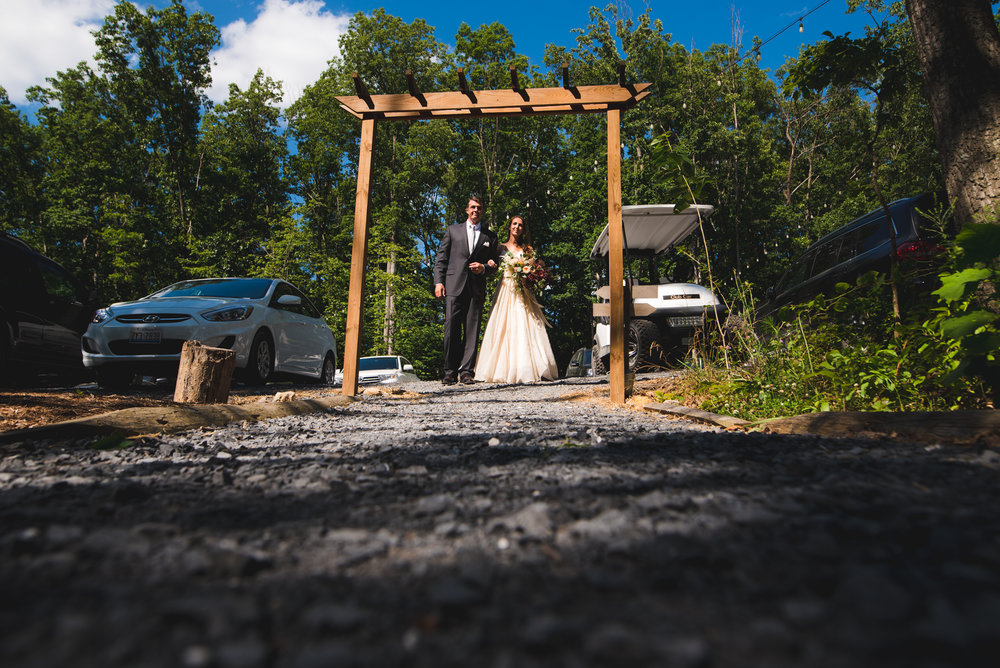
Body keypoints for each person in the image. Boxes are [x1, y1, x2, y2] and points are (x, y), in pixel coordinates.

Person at [474, 215, 558, 383]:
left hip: (523, 292)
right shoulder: (500, 248)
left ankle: (530, 368)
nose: (517, 227)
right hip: (505, 289)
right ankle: (501, 369)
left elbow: (533, 269)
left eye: (520, 225)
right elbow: (491, 263)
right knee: (503, 326)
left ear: (523, 229)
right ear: (509, 227)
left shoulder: (528, 249)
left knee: (526, 325)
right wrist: (489, 263)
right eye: (514, 224)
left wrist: (531, 274)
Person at [434, 196, 500, 385]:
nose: (475, 210)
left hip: (476, 289)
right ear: (466, 209)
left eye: (479, 208)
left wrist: (484, 268)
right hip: (454, 286)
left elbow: (495, 265)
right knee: (451, 330)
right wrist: (438, 282)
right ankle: (449, 371)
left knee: (472, 331)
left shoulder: (490, 237)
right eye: (472, 207)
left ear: (482, 211)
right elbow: (441, 258)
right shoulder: (452, 231)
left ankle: (467, 372)